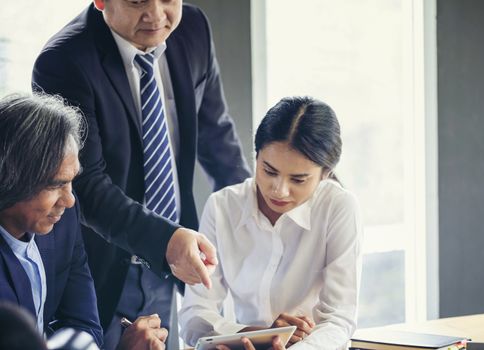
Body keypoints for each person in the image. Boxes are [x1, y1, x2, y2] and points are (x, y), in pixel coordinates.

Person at [32, 0, 251, 347]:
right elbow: (85, 186)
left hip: (172, 262)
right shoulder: (63, 62)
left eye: (167, 0)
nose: (155, 15)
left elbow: (216, 137)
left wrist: (253, 215)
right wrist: (167, 240)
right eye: (137, 2)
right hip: (100, 267)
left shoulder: (192, 28)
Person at [179, 96, 363, 350]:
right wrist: (253, 335)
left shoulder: (339, 208)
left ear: (325, 174)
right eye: (269, 171)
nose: (280, 191)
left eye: (298, 180)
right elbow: (194, 314)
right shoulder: (222, 207)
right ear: (256, 157)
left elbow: (338, 319)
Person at [0, 93, 169, 350]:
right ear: (11, 178)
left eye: (71, 181)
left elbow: (84, 327)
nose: (69, 201)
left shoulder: (63, 220)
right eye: (56, 185)